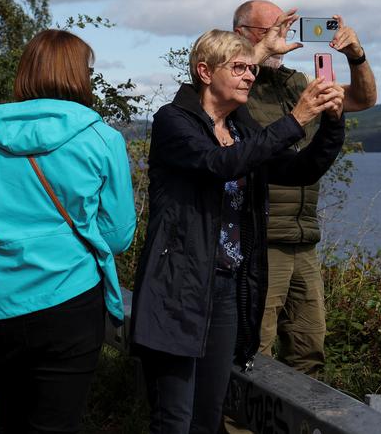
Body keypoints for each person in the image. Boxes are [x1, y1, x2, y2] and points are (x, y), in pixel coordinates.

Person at [130, 27, 346, 434]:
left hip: (228, 288)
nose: (250, 76)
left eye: (252, 67)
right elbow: (220, 164)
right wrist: (295, 119)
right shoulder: (174, 122)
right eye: (240, 68)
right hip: (179, 287)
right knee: (174, 419)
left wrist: (332, 123)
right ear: (205, 72)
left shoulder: (243, 132)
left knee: (208, 416)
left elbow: (301, 169)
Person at [0, 29, 137, 433]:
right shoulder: (103, 139)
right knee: (57, 424)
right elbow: (118, 236)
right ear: (79, 76)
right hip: (70, 299)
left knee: (9, 419)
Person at [232, 0, 378, 378]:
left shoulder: (297, 83)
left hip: (303, 239)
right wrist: (259, 53)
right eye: (269, 29)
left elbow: (363, 99)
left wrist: (356, 56)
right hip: (260, 241)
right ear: (241, 34)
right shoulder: (235, 84)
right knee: (253, 353)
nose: (280, 36)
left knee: (309, 350)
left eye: (285, 27)